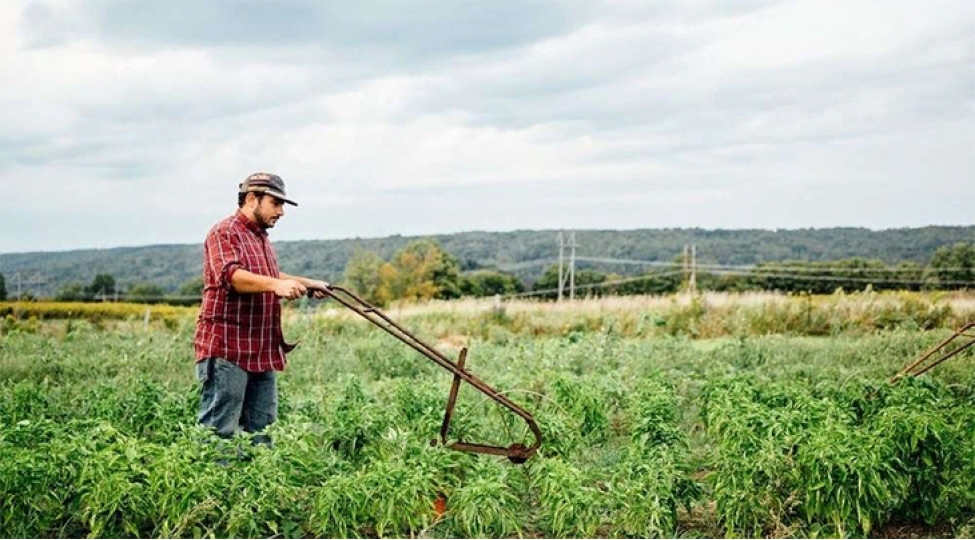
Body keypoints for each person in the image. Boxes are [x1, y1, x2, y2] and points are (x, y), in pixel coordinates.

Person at [193, 172, 328, 444]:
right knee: (218, 433)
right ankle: (212, 485)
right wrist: (276, 286)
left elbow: (270, 274)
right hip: (228, 348)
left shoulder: (261, 237)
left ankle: (256, 485)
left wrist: (309, 283)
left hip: (260, 349)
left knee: (263, 433)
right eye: (275, 203)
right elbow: (231, 276)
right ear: (252, 198)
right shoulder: (225, 231)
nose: (281, 212)